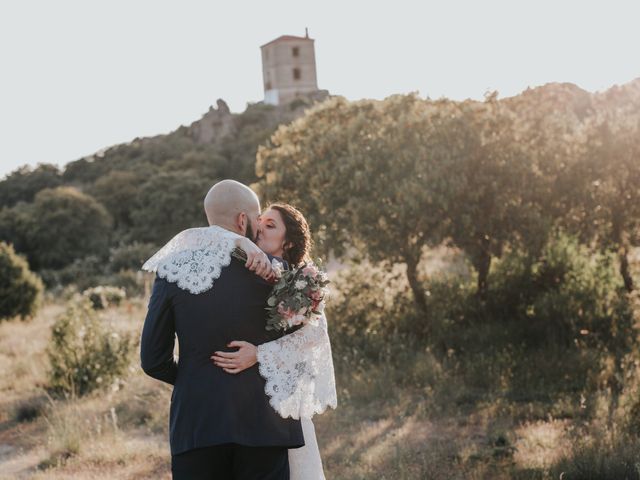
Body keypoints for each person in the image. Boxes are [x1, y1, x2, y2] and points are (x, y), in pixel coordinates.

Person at [140, 180, 304, 480]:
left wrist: (195, 376)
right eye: (257, 221)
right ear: (243, 221)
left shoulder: (173, 269)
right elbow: (301, 346)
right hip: (265, 426)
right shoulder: (282, 275)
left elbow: (152, 359)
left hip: (198, 425)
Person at [211, 203, 337, 480]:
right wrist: (240, 240)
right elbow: (212, 236)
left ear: (288, 241)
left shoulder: (303, 282)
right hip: (240, 405)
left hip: (281, 403)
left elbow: (313, 337)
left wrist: (259, 354)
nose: (260, 230)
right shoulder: (243, 263)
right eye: (260, 223)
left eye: (271, 226)